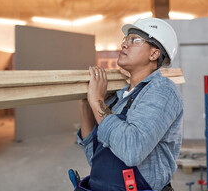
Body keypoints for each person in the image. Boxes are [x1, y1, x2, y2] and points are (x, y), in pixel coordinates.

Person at [76, 17, 183, 191]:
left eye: (134, 40)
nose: (125, 44)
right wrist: (85, 104)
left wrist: (97, 101)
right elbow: (95, 158)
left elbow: (131, 150)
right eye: (126, 39)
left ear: (154, 54)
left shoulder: (163, 91)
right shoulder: (117, 98)